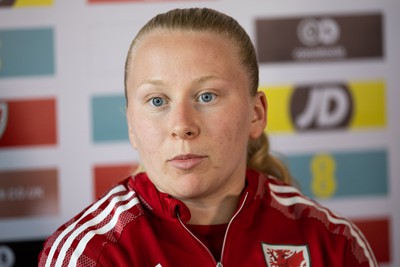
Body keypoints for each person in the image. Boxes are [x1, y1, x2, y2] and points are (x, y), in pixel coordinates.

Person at [39, 7, 377, 267]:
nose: (182, 125)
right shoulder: (90, 253)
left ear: (256, 114)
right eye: (158, 101)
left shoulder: (333, 243)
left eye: (207, 96)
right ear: (131, 125)